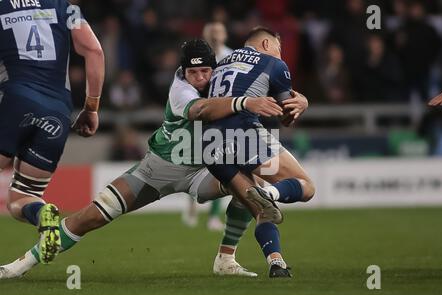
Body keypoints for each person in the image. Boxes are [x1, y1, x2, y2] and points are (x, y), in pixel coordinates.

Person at [0, 39, 302, 279]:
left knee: (252, 188)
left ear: (215, 69)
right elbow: (201, 111)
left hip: (205, 170)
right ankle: (22, 263)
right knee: (91, 216)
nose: (199, 78)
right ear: (182, 72)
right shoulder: (180, 91)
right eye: (192, 72)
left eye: (205, 72)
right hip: (158, 170)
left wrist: (300, 99)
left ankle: (227, 258)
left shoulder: (223, 78)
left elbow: (268, 83)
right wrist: (243, 102)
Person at [203, 27, 314, 277]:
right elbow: (288, 114)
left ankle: (276, 264)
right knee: (306, 187)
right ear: (266, 43)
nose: (280, 54)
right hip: (244, 134)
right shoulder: (273, 64)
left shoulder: (221, 63)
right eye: (278, 47)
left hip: (210, 145)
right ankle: (268, 192)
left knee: (261, 210)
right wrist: (304, 102)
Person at [0, 0, 104, 264]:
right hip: (57, 112)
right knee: (23, 196)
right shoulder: (65, 7)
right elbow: (94, 50)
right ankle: (42, 212)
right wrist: (91, 108)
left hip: (14, 98)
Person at [181, 21, 234, 232]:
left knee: (221, 165)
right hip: (200, 115)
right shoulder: (195, 58)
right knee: (196, 165)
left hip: (221, 117)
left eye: (219, 31)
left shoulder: (231, 56)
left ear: (225, 34)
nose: (215, 35)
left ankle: (213, 216)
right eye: (212, 32)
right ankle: (192, 207)